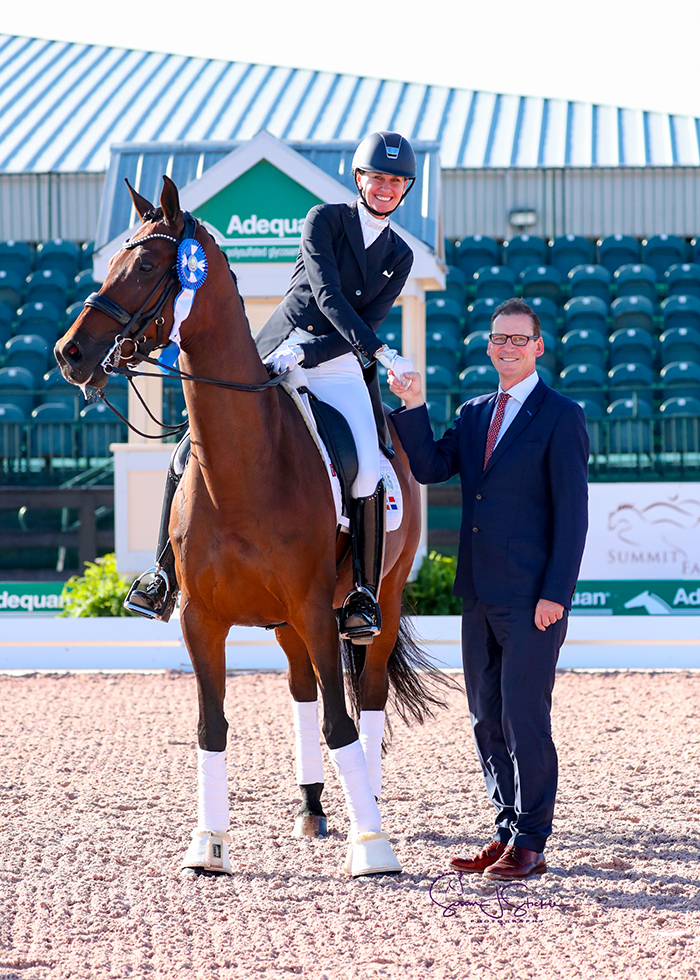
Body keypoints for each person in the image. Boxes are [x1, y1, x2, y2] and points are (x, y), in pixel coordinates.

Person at [126, 131, 417, 642]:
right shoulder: (323, 220)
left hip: (339, 362)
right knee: (190, 449)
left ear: (405, 188)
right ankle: (162, 575)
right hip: (278, 348)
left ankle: (362, 595)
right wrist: (382, 352)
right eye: (377, 178)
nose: (385, 188)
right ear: (360, 179)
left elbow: (361, 318)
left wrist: (324, 353)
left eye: (395, 181)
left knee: (368, 468)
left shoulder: (401, 254)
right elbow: (327, 297)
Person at [388, 297, 589, 881]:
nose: (507, 348)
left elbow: (572, 516)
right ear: (489, 345)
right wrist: (414, 405)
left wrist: (557, 593)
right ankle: (505, 830)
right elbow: (428, 467)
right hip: (477, 593)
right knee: (485, 717)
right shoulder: (476, 412)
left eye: (518, 340)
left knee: (526, 716)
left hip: (533, 600)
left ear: (538, 347)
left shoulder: (560, 414)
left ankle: (532, 840)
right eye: (498, 339)